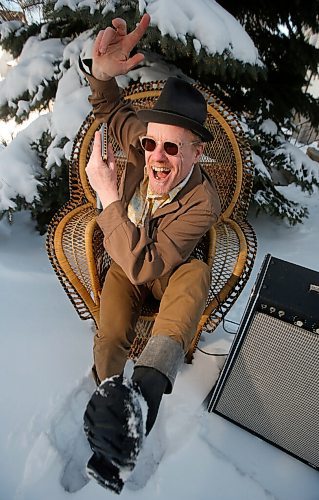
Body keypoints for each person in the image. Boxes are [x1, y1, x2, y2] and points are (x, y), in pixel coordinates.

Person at [80, 13, 221, 493]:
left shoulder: (203, 201)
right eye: (151, 143)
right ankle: (111, 419)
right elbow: (110, 107)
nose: (156, 157)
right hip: (127, 264)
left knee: (195, 274)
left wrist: (110, 199)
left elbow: (148, 265)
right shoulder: (142, 143)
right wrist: (102, 72)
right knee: (112, 328)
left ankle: (143, 395)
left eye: (172, 149)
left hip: (166, 273)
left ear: (197, 153)